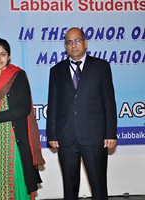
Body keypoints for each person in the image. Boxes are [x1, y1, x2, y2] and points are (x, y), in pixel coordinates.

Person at [46, 27, 117, 200]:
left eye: (77, 40)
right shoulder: (56, 71)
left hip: (94, 136)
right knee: (69, 188)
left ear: (85, 43)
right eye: (69, 42)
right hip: (66, 136)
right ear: (65, 46)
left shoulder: (101, 67)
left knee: (98, 185)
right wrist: (52, 133)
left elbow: (109, 102)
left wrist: (110, 133)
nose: (73, 45)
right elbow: (53, 103)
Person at [0, 38, 45, 199]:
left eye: (2, 54)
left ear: (9, 56)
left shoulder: (18, 76)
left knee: (13, 178)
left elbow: (24, 108)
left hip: (12, 139)